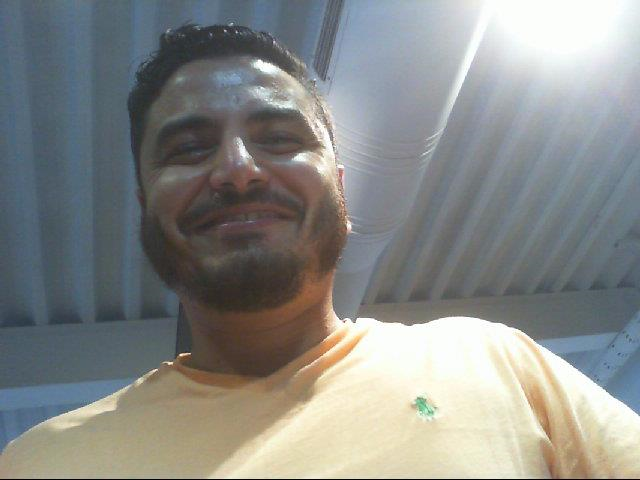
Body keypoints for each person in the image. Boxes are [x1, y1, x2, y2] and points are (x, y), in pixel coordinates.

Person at [1, 23, 639, 478]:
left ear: (338, 185)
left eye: (280, 138)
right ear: (147, 202)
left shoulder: (494, 362)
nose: (238, 170)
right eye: (188, 149)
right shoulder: (42, 462)